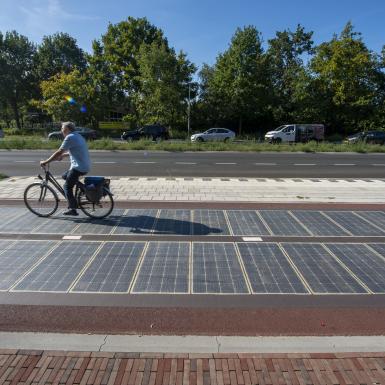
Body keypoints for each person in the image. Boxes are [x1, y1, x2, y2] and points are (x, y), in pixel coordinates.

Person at [40, 121, 91, 216]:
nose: (61, 131)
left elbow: (59, 151)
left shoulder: (70, 137)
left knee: (67, 187)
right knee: (65, 176)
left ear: (67, 129)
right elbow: (76, 150)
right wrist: (64, 155)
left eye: (62, 129)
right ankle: (83, 188)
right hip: (84, 166)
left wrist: (46, 161)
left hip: (78, 167)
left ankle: (73, 209)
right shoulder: (78, 136)